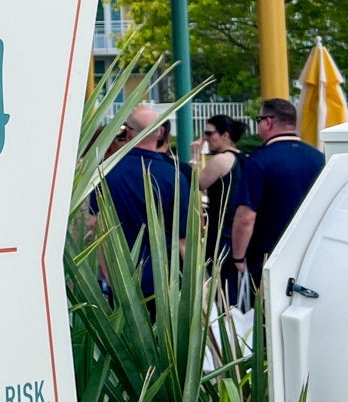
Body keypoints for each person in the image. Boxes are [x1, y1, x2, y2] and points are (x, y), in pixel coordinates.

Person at [230, 98, 325, 291]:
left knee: (268, 315)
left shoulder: (258, 161)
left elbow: (246, 216)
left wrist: (238, 256)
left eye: (258, 119)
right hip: (311, 252)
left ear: (268, 122)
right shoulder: (318, 157)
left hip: (269, 254)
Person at [102, 106, 190, 297]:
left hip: (120, 274)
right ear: (160, 132)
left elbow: (96, 226)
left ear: (128, 132)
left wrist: (107, 275)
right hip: (166, 279)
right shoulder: (174, 176)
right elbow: (183, 238)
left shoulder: (107, 172)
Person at [195, 114, 246, 267]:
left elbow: (195, 185)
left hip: (221, 232)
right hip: (238, 231)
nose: (206, 138)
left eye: (209, 133)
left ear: (225, 135)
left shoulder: (221, 160)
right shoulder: (245, 158)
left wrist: (195, 156)